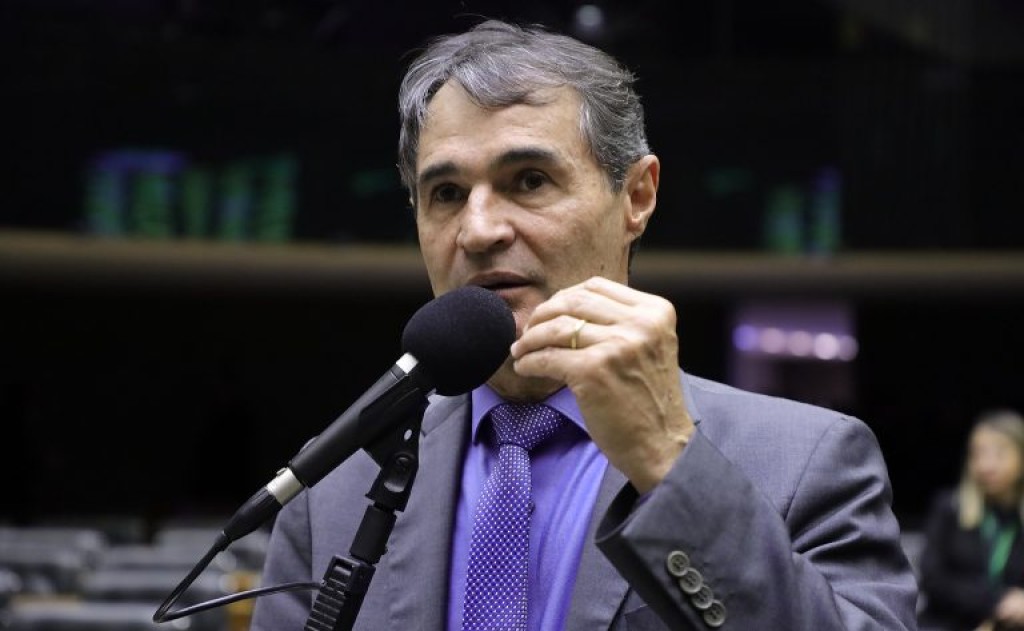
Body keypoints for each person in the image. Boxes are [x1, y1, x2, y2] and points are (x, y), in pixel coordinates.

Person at [250, 19, 918, 630]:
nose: (478, 230)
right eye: (446, 194)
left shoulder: (806, 462)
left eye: (529, 180)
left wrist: (668, 463)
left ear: (637, 196)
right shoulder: (330, 491)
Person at [919, 409, 1024, 631]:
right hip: (950, 624)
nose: (986, 465)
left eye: (999, 454)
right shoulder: (949, 507)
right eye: (978, 454)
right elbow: (933, 579)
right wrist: (997, 603)